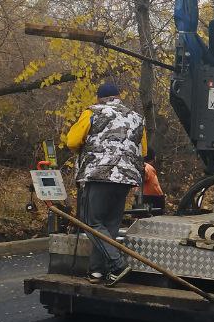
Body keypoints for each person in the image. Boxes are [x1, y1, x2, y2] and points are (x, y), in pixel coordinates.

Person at [64, 82, 147, 287]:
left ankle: (117, 265)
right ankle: (98, 272)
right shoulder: (136, 117)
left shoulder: (92, 112)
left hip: (99, 174)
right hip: (126, 177)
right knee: (109, 225)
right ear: (118, 97)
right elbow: (143, 150)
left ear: (99, 98)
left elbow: (72, 142)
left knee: (91, 222)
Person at [142, 148, 165, 214]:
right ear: (154, 157)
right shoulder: (147, 166)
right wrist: (143, 170)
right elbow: (145, 175)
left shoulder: (148, 167)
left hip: (151, 197)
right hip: (151, 199)